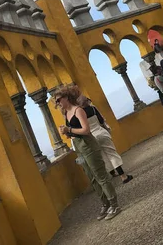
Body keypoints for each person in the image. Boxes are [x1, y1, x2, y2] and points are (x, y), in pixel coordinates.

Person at [56, 84, 121, 221]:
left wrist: (69, 130)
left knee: (100, 175)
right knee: (92, 177)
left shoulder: (78, 110)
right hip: (79, 146)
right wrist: (67, 133)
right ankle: (105, 203)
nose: (57, 103)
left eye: (58, 100)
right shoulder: (67, 114)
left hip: (88, 144)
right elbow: (74, 131)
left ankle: (114, 204)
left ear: (67, 97)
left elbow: (86, 130)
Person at [77, 95, 133, 184]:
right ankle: (123, 176)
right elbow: (101, 121)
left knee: (103, 156)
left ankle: (112, 173)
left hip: (92, 137)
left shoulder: (79, 114)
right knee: (111, 154)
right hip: (101, 132)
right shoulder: (93, 109)